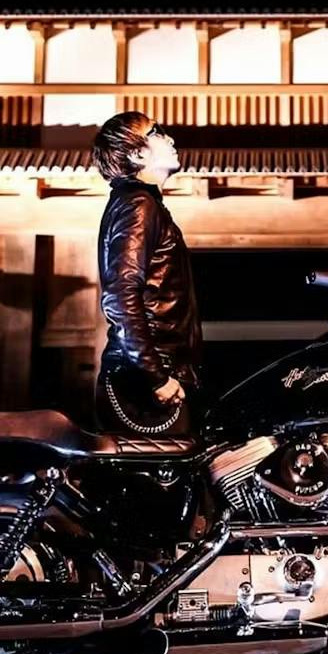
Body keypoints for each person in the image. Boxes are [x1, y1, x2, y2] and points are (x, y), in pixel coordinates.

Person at [91, 112, 203, 437]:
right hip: (144, 383)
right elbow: (120, 295)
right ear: (138, 154)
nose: (170, 138)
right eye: (158, 132)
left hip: (148, 375)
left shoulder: (136, 203)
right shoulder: (138, 204)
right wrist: (155, 375)